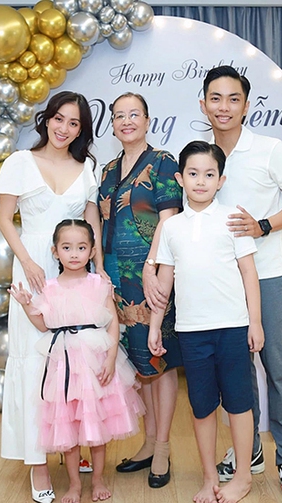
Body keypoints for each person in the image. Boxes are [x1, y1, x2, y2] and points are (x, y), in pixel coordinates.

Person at [201, 65, 282, 502]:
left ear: (246, 106)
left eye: (233, 99)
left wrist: (263, 225)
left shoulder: (269, 149)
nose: (224, 107)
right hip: (222, 284)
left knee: (278, 369)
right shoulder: (202, 156)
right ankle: (248, 451)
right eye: (216, 98)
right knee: (237, 374)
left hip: (265, 277)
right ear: (203, 104)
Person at [0, 91, 103, 503]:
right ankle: (37, 462)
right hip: (33, 263)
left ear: (81, 130)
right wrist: (27, 262)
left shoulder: (86, 167)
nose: (64, 128)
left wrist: (98, 267)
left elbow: (91, 219)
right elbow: (4, 218)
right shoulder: (20, 161)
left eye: (73, 122)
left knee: (75, 360)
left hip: (74, 267)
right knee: (34, 360)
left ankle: (73, 442)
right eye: (58, 118)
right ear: (46, 119)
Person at [148, 140, 263, 503]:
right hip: (191, 331)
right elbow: (164, 280)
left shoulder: (233, 220)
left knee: (239, 403)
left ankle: (243, 477)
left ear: (221, 180)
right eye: (193, 174)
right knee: (201, 406)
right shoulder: (171, 227)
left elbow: (249, 273)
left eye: (209, 174)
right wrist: (154, 325)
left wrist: (255, 322)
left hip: (232, 327)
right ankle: (210, 478)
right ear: (180, 178)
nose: (201, 181)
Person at [8, 219, 144, 503]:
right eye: (67, 247)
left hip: (95, 362)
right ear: (55, 252)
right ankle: (73, 485)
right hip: (64, 366)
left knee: (98, 426)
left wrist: (111, 358)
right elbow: (44, 325)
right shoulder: (49, 287)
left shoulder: (99, 284)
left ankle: (98, 479)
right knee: (68, 427)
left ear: (92, 251)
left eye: (81, 248)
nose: (74, 254)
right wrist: (26, 304)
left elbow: (112, 322)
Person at [97, 92, 183, 488]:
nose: (127, 121)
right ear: (113, 125)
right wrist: (100, 270)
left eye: (134, 114)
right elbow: (101, 222)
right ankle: (148, 443)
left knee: (159, 360)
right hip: (117, 278)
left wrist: (153, 267)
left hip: (153, 273)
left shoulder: (163, 162)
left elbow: (169, 220)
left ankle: (162, 447)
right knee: (139, 363)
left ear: (148, 120)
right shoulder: (108, 170)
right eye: (119, 116)